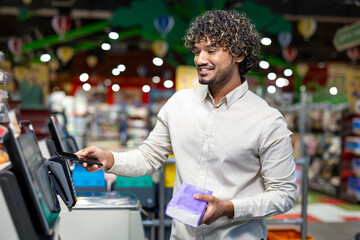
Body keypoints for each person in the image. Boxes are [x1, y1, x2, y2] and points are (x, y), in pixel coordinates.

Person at [77, 9, 297, 240]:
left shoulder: (266, 120)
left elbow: (283, 195)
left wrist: (228, 208)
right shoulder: (180, 103)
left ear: (239, 54)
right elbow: (149, 156)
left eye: (211, 50)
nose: (200, 59)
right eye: (197, 51)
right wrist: (108, 158)